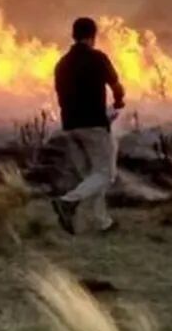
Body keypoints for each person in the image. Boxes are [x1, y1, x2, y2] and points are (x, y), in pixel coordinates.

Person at [51, 18, 125, 234]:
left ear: (73, 35)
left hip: (70, 126)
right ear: (93, 35)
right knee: (105, 174)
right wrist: (118, 102)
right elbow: (117, 87)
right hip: (93, 124)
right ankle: (67, 202)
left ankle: (102, 223)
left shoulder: (61, 64)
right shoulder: (98, 58)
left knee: (92, 177)